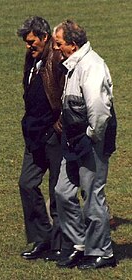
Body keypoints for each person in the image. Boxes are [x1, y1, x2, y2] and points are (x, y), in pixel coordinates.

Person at [53, 20, 117, 269]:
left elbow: (99, 111)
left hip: (92, 141)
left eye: (59, 44)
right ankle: (81, 244)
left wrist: (91, 137)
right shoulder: (72, 64)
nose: (57, 49)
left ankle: (103, 252)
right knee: (63, 191)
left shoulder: (92, 66)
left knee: (92, 196)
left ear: (73, 44)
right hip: (74, 140)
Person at [17, 16, 64, 261]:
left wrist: (58, 127)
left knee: (57, 191)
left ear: (45, 37)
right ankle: (41, 238)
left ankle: (59, 244)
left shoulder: (57, 61)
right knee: (27, 183)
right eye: (26, 42)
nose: (28, 46)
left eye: (32, 41)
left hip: (53, 136)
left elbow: (67, 98)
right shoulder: (32, 59)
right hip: (34, 136)